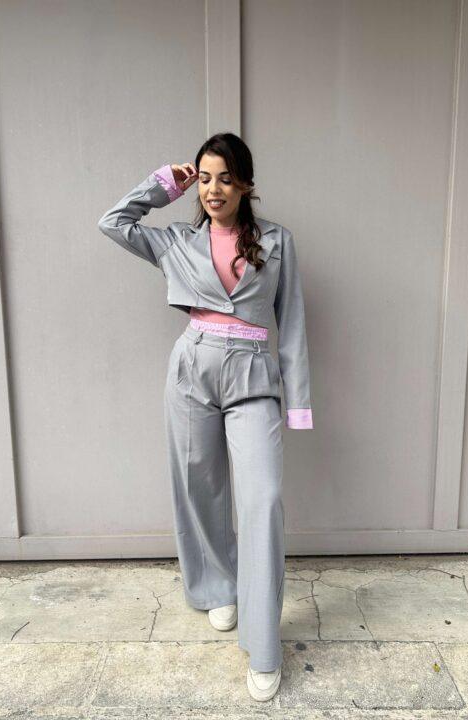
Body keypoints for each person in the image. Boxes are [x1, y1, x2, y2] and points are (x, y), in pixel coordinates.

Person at [97, 132, 313, 702]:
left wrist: (298, 404)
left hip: (253, 375)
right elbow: (114, 222)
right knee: (200, 485)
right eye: (205, 178)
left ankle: (263, 647)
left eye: (226, 178)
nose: (214, 189)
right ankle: (219, 587)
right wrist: (163, 184)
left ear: (246, 184)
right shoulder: (176, 241)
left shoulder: (278, 242)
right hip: (192, 369)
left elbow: (291, 324)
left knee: (262, 499)